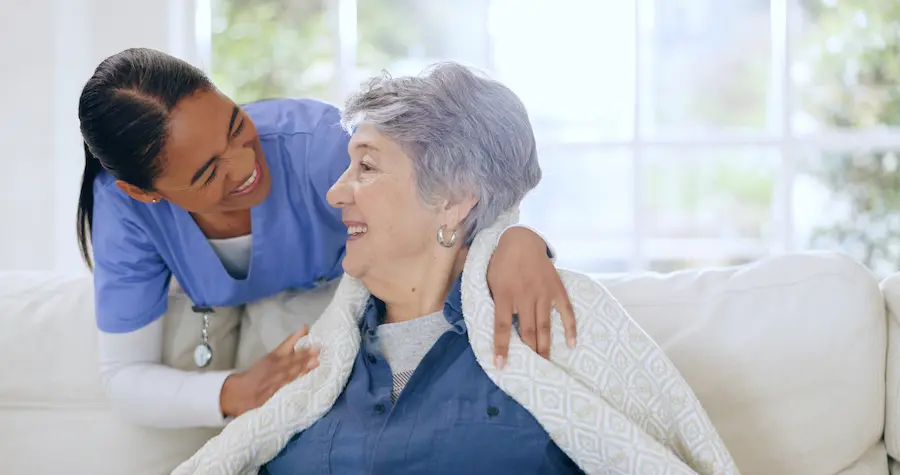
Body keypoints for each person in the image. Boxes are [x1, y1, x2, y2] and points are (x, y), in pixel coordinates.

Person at [172, 62, 739, 475]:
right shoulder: (316, 365)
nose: (336, 191)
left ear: (454, 198)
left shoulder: (546, 318)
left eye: (366, 166)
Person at [77, 48, 576, 429]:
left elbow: (458, 183)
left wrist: (513, 238)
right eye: (208, 172)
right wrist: (235, 392)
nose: (246, 164)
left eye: (235, 126)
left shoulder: (319, 147)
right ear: (143, 193)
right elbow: (123, 377)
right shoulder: (123, 211)